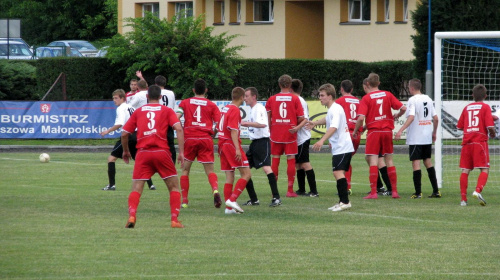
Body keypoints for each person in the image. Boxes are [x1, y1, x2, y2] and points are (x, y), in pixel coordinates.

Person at [121, 85, 185, 228]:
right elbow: (179, 129)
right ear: (161, 97)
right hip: (161, 153)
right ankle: (174, 220)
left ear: (147, 97)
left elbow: (124, 133)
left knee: (136, 188)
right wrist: (181, 152)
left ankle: (132, 216)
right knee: (174, 187)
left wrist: (125, 151)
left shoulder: (138, 111)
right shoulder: (167, 110)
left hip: (143, 153)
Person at [353, 73, 406, 199]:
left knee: (373, 160)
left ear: (367, 84)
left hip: (374, 131)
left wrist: (357, 130)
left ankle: (373, 192)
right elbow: (403, 108)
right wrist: (396, 116)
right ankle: (394, 191)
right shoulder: (387, 94)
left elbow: (360, 118)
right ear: (379, 83)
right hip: (387, 131)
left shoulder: (366, 98)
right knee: (389, 160)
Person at [176, 79, 222, 208]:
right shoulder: (212, 105)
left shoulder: (185, 103)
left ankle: (184, 201)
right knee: (210, 171)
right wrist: (213, 133)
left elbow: (177, 117)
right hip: (205, 138)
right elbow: (219, 123)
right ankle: (215, 190)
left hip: (189, 138)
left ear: (193, 90)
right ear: (206, 90)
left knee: (185, 170)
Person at [394, 79, 441, 198]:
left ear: (411, 88)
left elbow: (411, 117)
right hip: (426, 136)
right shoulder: (428, 99)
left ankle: (418, 192)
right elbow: (435, 118)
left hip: (416, 136)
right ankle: (436, 191)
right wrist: (434, 132)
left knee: (416, 163)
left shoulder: (412, 100)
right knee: (428, 162)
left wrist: (400, 130)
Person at [311, 84, 354, 211]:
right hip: (340, 147)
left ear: (330, 96)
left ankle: (345, 202)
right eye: (320, 95)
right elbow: (327, 119)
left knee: (337, 172)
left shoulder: (335, 109)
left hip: (342, 146)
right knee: (338, 172)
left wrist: (322, 140)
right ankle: (342, 201)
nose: (320, 98)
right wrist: (315, 122)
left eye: (322, 95)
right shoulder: (333, 109)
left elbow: (333, 127)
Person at [241, 87, 282, 207]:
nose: (245, 98)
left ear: (254, 97)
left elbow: (263, 124)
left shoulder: (258, 108)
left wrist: (245, 123)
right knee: (244, 169)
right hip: (255, 143)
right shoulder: (253, 109)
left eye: (247, 96)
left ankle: (276, 197)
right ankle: (254, 199)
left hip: (262, 142)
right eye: (244, 96)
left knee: (267, 168)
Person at [265, 74, 305, 197]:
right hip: (290, 133)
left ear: (279, 85)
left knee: (275, 160)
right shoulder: (295, 99)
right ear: (290, 85)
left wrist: (271, 129)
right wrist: (296, 126)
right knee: (290, 160)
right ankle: (290, 190)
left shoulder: (272, 99)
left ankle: (274, 190)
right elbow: (302, 118)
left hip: (276, 134)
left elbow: (268, 117)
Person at [456, 84, 495, 206]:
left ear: (472, 95)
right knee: (485, 169)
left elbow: (459, 127)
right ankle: (477, 191)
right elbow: (490, 127)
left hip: (467, 142)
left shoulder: (467, 108)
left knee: (465, 170)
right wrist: (493, 134)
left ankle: (463, 199)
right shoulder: (485, 107)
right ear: (486, 96)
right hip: (480, 142)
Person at [218, 87, 252, 214]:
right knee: (246, 174)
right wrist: (237, 148)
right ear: (242, 97)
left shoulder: (225, 108)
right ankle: (232, 200)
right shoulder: (235, 110)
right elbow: (233, 130)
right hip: (230, 144)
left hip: (222, 144)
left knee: (229, 177)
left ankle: (228, 209)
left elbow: (218, 127)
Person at [100, 89, 137, 191]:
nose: (114, 100)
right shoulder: (131, 107)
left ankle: (112, 185)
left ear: (122, 98)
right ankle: (151, 185)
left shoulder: (121, 108)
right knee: (139, 160)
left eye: (116, 98)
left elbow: (120, 124)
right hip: (137, 135)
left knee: (111, 159)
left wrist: (108, 131)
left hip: (128, 136)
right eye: (113, 98)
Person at [126, 78, 156, 190]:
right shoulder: (150, 94)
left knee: (139, 155)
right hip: (151, 124)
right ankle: (150, 183)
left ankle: (144, 179)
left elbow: (129, 106)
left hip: (140, 125)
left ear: (138, 87)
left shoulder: (137, 96)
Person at [290, 79, 318, 197]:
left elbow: (305, 118)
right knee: (298, 164)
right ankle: (301, 189)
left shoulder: (299, 100)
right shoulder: (297, 99)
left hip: (303, 137)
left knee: (305, 163)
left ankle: (314, 191)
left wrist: (296, 127)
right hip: (298, 137)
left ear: (291, 89)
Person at [333, 80, 363, 194]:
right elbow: (362, 117)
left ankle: (346, 187)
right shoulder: (359, 101)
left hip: (346, 133)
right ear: (351, 89)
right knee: (348, 159)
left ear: (341, 89)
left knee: (343, 161)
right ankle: (347, 186)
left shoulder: (339, 101)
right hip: (357, 134)